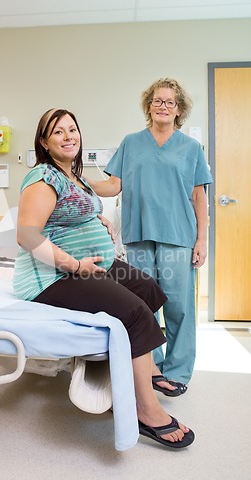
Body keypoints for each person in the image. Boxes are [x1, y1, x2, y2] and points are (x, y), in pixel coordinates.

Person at [13, 108, 194, 448]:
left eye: (72, 129)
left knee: (148, 289)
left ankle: (147, 371)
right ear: (44, 142)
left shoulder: (73, 175)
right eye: (58, 133)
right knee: (135, 313)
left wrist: (98, 221)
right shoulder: (43, 178)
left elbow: (76, 211)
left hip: (92, 264)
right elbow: (27, 236)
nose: (69, 137)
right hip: (52, 277)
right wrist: (74, 265)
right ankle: (145, 410)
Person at [88, 78, 213, 395]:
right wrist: (76, 181)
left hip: (178, 235)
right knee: (145, 304)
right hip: (139, 233)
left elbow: (199, 197)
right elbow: (113, 186)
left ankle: (179, 372)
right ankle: (153, 368)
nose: (163, 106)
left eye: (170, 102)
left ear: (179, 109)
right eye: (157, 101)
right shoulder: (131, 143)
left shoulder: (191, 148)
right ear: (149, 106)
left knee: (179, 307)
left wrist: (202, 240)